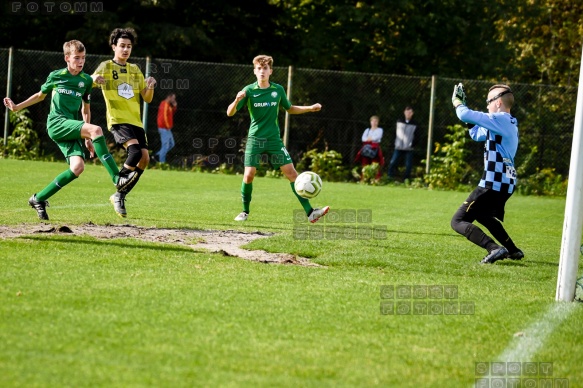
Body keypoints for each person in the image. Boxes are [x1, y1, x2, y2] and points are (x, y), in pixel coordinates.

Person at [3, 40, 136, 221]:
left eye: (83, 58)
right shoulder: (56, 76)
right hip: (57, 124)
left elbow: (85, 110)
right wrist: (17, 107)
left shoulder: (86, 81)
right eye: (76, 58)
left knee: (77, 168)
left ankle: (38, 198)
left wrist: (88, 139)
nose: (80, 61)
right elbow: (40, 96)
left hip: (72, 126)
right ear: (67, 58)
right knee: (97, 129)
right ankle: (116, 178)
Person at [226, 54, 329, 223]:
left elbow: (290, 108)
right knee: (249, 175)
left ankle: (310, 212)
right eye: (259, 68)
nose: (262, 71)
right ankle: (245, 211)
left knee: (291, 174)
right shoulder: (249, 91)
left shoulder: (278, 90)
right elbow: (230, 113)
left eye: (265, 68)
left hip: (274, 140)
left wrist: (310, 108)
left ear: (270, 71)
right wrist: (236, 100)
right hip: (255, 139)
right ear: (254, 71)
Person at [450, 83, 523, 264]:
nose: (487, 105)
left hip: (492, 183)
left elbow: (463, 114)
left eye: (489, 101)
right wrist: (465, 111)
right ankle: (513, 250)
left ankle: (494, 248)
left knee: (457, 221)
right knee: (483, 215)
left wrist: (458, 102)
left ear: (498, 103)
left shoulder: (500, 120)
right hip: (505, 184)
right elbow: (476, 134)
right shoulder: (506, 122)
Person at [92, 27, 156, 218]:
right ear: (114, 47)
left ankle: (119, 194)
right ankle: (119, 184)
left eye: (129, 46)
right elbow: (91, 81)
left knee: (144, 159)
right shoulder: (106, 66)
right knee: (135, 152)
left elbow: (147, 98)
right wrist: (95, 78)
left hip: (135, 121)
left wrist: (150, 86)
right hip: (118, 119)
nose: (126, 50)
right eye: (122, 46)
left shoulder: (135, 69)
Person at [387, 106, 418, 181]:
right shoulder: (399, 121)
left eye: (410, 112)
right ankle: (389, 177)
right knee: (393, 162)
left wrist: (412, 144)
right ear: (404, 112)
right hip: (398, 146)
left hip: (409, 148)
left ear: (412, 113)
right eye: (407, 112)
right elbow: (394, 133)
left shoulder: (415, 124)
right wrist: (394, 142)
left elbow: (417, 136)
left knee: (408, 165)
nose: (408, 114)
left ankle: (406, 179)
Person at [354, 115, 384, 180]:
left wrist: (370, 139)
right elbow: (363, 138)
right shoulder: (367, 130)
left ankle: (376, 179)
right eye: (373, 121)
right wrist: (370, 139)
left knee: (375, 164)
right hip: (366, 148)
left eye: (376, 121)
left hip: (375, 148)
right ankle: (364, 179)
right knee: (365, 163)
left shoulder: (380, 130)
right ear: (370, 122)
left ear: (378, 122)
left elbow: (377, 137)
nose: (374, 122)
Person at [155, 92, 177, 163]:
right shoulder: (164, 104)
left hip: (167, 128)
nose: (174, 100)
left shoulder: (169, 105)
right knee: (165, 145)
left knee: (171, 144)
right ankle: (162, 163)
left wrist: (174, 107)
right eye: (173, 98)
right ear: (169, 97)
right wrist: (167, 126)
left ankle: (157, 155)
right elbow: (164, 117)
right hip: (164, 128)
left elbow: (170, 114)